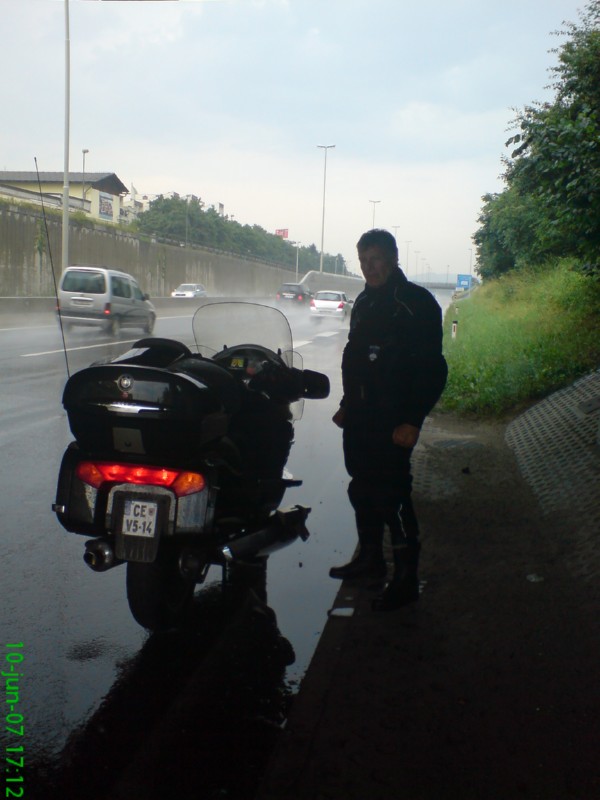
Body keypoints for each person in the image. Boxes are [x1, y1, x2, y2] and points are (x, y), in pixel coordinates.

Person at [329, 229, 448, 610]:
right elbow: (356, 358)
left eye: (376, 259)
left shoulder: (416, 303)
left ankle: (406, 579)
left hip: (394, 418)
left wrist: (412, 420)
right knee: (361, 488)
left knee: (392, 494)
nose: (370, 267)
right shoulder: (364, 302)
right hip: (361, 416)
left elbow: (433, 370)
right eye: (363, 261)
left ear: (394, 258)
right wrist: (347, 404)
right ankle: (371, 560)